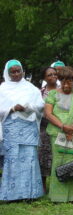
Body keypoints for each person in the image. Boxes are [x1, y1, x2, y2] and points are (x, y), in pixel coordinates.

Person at [0, 59, 44, 201]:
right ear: (8, 73)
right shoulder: (2, 89)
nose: (17, 74)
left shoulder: (31, 88)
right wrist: (12, 108)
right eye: (13, 72)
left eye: (19, 71)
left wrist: (29, 107)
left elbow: (41, 106)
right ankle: (11, 194)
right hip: (11, 128)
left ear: (22, 71)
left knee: (29, 158)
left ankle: (30, 194)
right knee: (12, 159)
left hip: (28, 127)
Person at [44, 66, 73, 202]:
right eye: (63, 80)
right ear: (59, 80)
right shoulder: (52, 94)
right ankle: (58, 196)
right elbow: (48, 113)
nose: (66, 84)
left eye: (69, 81)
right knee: (59, 162)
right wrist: (63, 127)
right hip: (58, 133)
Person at [39, 67, 58, 192]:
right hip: (44, 128)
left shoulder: (63, 90)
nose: (53, 76)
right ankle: (43, 186)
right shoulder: (40, 92)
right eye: (49, 75)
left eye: (55, 74)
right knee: (43, 156)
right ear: (45, 78)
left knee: (58, 155)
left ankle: (57, 184)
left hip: (59, 127)